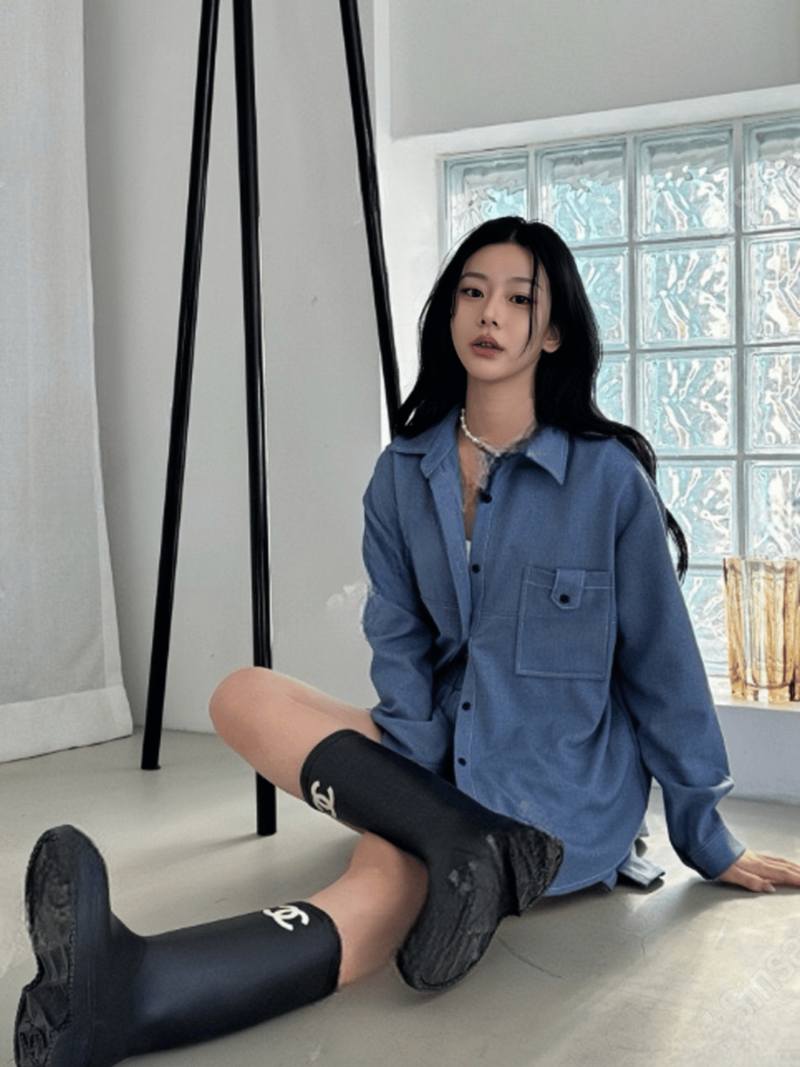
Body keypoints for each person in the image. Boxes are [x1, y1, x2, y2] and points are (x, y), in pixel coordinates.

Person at [15, 218, 800, 1067]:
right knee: (239, 693)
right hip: (435, 752)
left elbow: (663, 664)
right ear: (449, 312)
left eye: (518, 298)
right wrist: (409, 783)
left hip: (558, 790)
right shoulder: (402, 473)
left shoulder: (607, 478)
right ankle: (454, 836)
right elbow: (398, 639)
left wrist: (705, 835)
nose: (489, 313)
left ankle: (135, 993)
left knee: (377, 883)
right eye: (472, 291)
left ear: (553, 331)